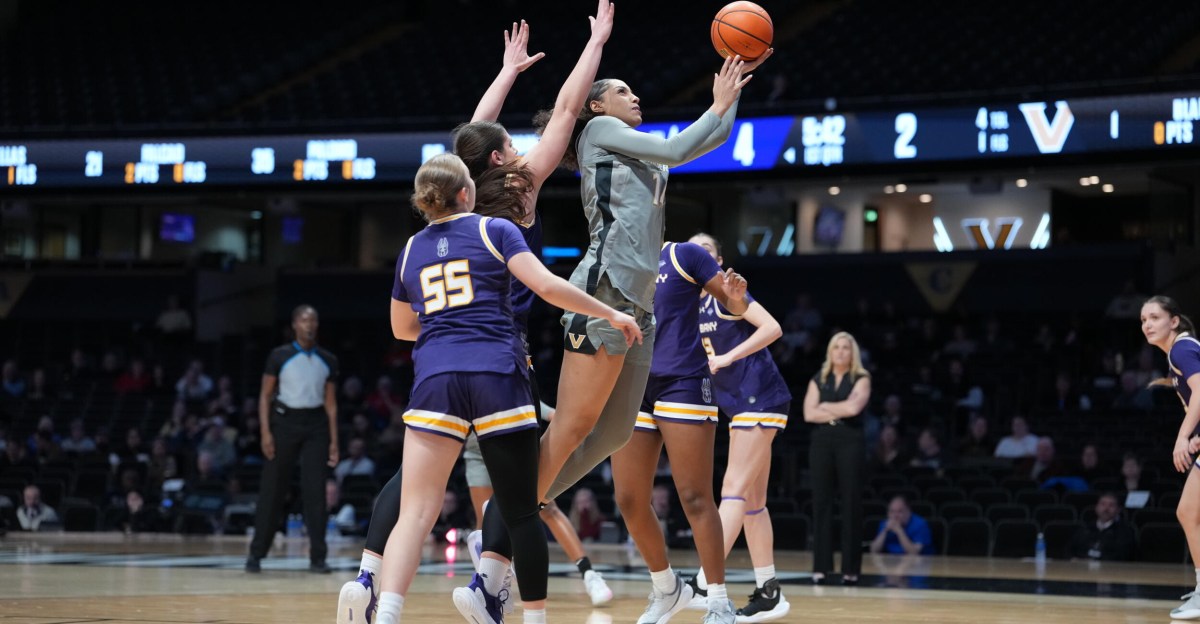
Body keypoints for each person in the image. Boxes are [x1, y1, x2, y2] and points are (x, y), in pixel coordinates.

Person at [471, 37, 771, 624]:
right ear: (599, 106)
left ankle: (525, 507)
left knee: (606, 438)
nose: (636, 98)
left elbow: (702, 141)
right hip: (602, 292)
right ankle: (496, 564)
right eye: (623, 92)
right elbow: (686, 143)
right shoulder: (598, 134)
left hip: (640, 307)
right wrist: (716, 101)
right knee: (573, 428)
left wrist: (728, 102)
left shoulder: (635, 147)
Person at [336, 10, 620, 623]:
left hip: (439, 357)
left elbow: (473, 133)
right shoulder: (517, 195)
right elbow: (568, 111)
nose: (518, 147)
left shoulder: (442, 212)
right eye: (511, 146)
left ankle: (371, 575)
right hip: (499, 352)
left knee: (417, 487)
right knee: (524, 496)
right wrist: (594, 44)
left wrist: (505, 73)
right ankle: (500, 590)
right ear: (494, 165)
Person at [371, 152, 641, 624]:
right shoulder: (495, 230)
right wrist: (610, 313)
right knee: (520, 510)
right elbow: (547, 287)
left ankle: (388, 612)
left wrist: (446, 326)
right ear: (467, 192)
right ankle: (533, 619)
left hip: (436, 375)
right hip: (495, 370)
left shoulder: (411, 249)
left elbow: (400, 327)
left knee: (415, 511)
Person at [609, 239, 748, 624]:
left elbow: (733, 302)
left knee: (694, 496)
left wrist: (735, 299)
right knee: (628, 498)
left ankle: (719, 602)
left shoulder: (684, 253)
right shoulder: (617, 253)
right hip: (632, 381)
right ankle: (668, 587)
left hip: (682, 380)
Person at [687, 232, 791, 622]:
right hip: (738, 406)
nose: (700, 255)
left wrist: (728, 356)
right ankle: (769, 591)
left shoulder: (727, 293)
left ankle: (702, 580)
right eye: (693, 250)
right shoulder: (686, 304)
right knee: (752, 502)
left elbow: (772, 328)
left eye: (708, 250)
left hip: (759, 397)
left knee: (731, 491)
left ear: (717, 259)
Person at [245, 304, 340, 574]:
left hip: (316, 425)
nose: (309, 325)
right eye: (304, 320)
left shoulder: (328, 359)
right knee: (272, 489)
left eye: (314, 320)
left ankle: (318, 558)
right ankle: (256, 555)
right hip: (284, 423)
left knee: (315, 492)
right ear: (295, 324)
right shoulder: (279, 356)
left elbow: (331, 404)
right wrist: (265, 432)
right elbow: (264, 396)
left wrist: (334, 440)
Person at [1141, 295, 1200, 619]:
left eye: (1154, 317)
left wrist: (1182, 437)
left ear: (1173, 321)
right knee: (1188, 513)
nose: (1147, 324)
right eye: (1143, 320)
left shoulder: (1182, 348)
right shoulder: (1179, 353)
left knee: (1189, 513)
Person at [804, 331, 872, 585]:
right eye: (837, 347)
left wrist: (825, 407)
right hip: (822, 440)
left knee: (851, 502)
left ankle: (850, 569)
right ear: (830, 352)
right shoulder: (818, 379)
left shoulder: (861, 378)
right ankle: (821, 566)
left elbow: (855, 408)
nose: (841, 352)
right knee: (821, 502)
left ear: (852, 353)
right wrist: (838, 408)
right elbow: (808, 413)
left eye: (846, 347)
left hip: (850, 440)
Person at [1067, 492, 1135, 561]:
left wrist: (1095, 562)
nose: (1106, 509)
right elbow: (1070, 549)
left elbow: (1123, 556)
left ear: (1118, 510)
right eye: (1103, 504)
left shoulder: (1124, 532)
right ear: (1096, 507)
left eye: (1111, 505)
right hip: (1080, 569)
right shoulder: (1085, 528)